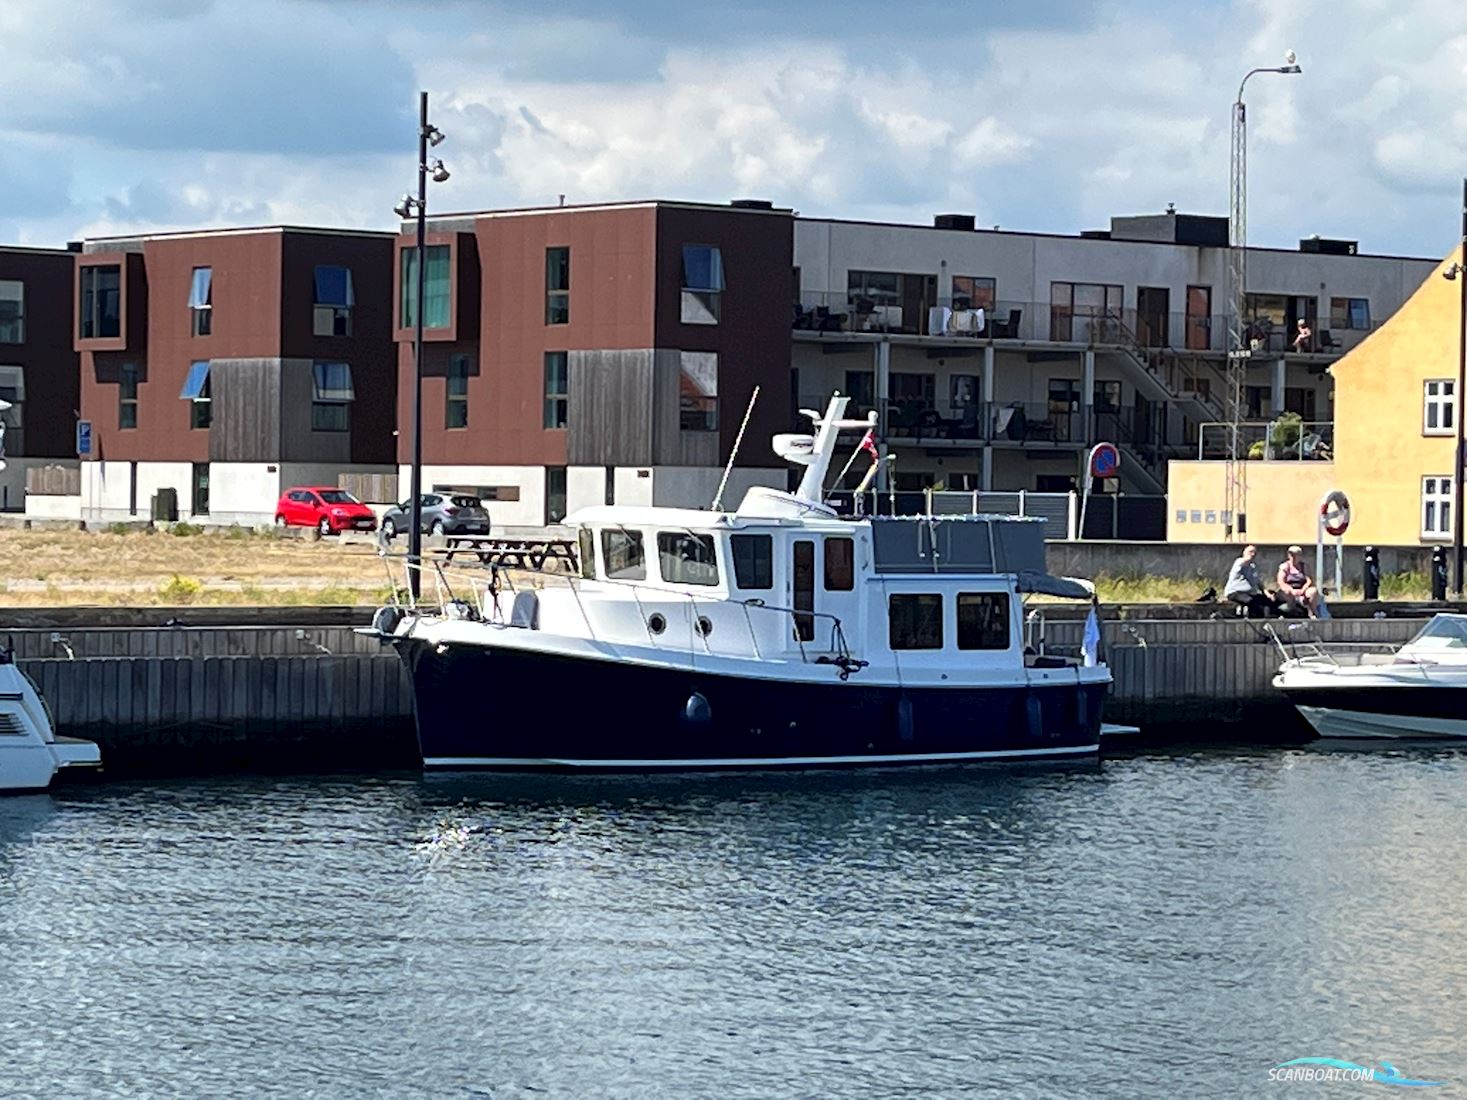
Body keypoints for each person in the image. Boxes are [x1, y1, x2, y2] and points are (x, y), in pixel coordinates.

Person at [1224, 544, 1276, 618]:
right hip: (1235, 592)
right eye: (1250, 552)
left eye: (1254, 552)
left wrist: (1268, 594)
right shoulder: (1239, 562)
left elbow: (1258, 583)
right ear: (1244, 553)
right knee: (1251, 601)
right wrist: (1248, 557)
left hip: (1249, 593)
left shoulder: (1253, 567)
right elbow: (1244, 561)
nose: (1253, 554)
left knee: (1267, 601)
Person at [1276, 545, 1319, 617]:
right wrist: (1291, 590)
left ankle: (1312, 613)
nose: (1294, 557)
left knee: (1313, 591)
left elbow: (1309, 580)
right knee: (1286, 591)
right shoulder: (1284, 566)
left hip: (1302, 588)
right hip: (1290, 589)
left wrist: (1302, 590)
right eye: (1292, 555)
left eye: (1296, 554)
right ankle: (1290, 610)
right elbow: (1281, 582)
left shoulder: (1304, 566)